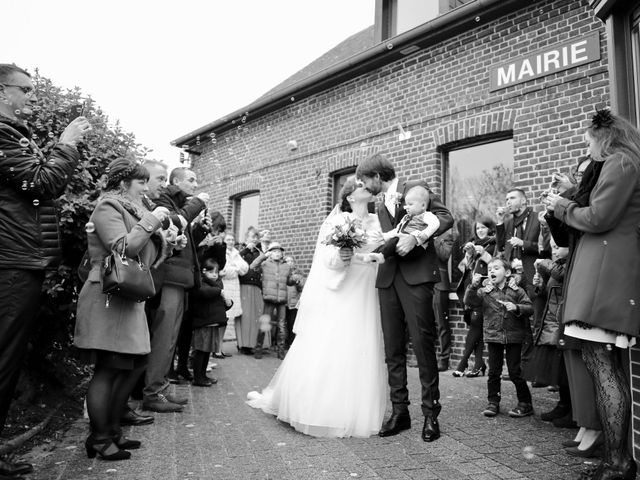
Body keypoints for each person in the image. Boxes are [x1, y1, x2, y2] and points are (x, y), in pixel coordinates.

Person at [0, 64, 90, 478]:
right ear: (2, 91)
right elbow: (41, 184)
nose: (30, 98)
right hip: (11, 263)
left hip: (17, 259)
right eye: (26, 90)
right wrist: (67, 144)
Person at [247, 177, 387, 438]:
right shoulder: (337, 222)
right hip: (342, 289)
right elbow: (328, 259)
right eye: (359, 185)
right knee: (333, 341)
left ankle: (356, 409)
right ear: (350, 197)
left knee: (360, 343)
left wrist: (378, 256)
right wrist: (352, 256)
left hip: (367, 288)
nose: (365, 186)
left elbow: (388, 246)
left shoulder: (378, 222)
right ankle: (318, 408)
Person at [544, 108, 640, 480]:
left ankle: (618, 464)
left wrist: (562, 205)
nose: (589, 146)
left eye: (589, 139)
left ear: (605, 137)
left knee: (604, 370)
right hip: (603, 273)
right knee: (604, 369)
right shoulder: (624, 162)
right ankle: (615, 460)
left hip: (606, 278)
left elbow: (599, 218)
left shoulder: (620, 163)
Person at [74, 158, 169, 461]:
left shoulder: (134, 211)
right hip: (108, 296)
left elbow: (144, 255)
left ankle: (112, 430)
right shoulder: (107, 207)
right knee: (108, 368)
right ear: (123, 183)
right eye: (141, 181)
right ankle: (100, 438)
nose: (146, 186)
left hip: (128, 297)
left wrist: (162, 236)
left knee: (133, 365)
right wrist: (151, 220)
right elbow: (123, 248)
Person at [356, 153, 454, 443]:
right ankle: (400, 412)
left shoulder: (416, 188)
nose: (365, 186)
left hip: (416, 279)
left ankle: (430, 414)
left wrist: (418, 237)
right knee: (393, 348)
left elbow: (446, 217)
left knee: (423, 345)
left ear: (377, 177)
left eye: (365, 180)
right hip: (388, 280)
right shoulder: (380, 202)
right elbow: (390, 236)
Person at [142, 168, 209, 413]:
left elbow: (180, 241)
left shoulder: (177, 202)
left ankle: (159, 387)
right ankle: (152, 392)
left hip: (179, 279)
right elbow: (172, 224)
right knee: (163, 334)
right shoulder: (164, 199)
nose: (195, 183)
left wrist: (200, 230)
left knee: (170, 337)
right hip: (168, 278)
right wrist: (198, 204)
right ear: (176, 181)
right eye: (191, 179)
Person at [464, 258, 534, 419]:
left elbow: (530, 308)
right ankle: (493, 402)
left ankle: (525, 403)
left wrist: (516, 307)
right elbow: (469, 301)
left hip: (513, 336)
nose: (491, 271)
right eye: (489, 269)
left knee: (515, 371)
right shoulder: (485, 291)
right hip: (493, 335)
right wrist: (473, 286)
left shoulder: (516, 291)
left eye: (496, 268)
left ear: (507, 273)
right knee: (493, 372)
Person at [452, 218, 496, 377]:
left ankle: (462, 364)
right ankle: (479, 364)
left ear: (490, 229)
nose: (480, 231)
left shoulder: (494, 244)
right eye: (478, 228)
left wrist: (483, 253)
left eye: (484, 227)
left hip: (485, 291)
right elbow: (463, 267)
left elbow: (496, 265)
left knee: (475, 326)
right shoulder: (473, 243)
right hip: (470, 290)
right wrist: (470, 253)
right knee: (475, 327)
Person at [190, 258, 232, 386]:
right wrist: (220, 292)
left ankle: (203, 375)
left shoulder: (217, 284)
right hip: (203, 322)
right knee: (201, 350)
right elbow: (204, 292)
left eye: (216, 272)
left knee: (207, 350)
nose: (215, 274)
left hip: (213, 322)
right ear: (204, 271)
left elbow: (219, 305)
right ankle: (197, 378)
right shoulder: (201, 282)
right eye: (211, 272)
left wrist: (228, 303)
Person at [252, 242, 293, 360]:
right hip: (269, 299)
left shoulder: (286, 266)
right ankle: (258, 348)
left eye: (279, 251)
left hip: (281, 300)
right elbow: (253, 266)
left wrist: (294, 280)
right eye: (274, 251)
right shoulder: (265, 264)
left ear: (282, 254)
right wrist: (263, 256)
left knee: (281, 326)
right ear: (270, 253)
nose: (277, 253)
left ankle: (281, 351)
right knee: (264, 324)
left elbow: (289, 281)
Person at [381, 185, 440, 258]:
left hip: (416, 248)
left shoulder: (426, 215)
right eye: (406, 204)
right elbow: (397, 230)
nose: (406, 207)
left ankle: (380, 255)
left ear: (423, 206)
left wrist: (424, 235)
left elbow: (435, 224)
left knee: (394, 240)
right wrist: (385, 235)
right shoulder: (406, 217)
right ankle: (376, 253)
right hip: (403, 246)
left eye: (410, 204)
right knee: (389, 241)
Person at [219, 232, 248, 358]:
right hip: (225, 286)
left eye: (232, 239)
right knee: (221, 319)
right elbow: (224, 271)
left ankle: (220, 348)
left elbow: (245, 268)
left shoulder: (235, 253)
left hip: (234, 288)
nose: (230, 242)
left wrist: (234, 268)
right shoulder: (222, 252)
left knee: (227, 319)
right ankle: (217, 349)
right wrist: (236, 269)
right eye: (228, 239)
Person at [237, 227, 264, 355]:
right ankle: (243, 344)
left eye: (256, 237)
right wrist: (247, 249)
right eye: (252, 236)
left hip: (257, 286)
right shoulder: (241, 250)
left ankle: (254, 343)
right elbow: (236, 259)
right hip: (244, 284)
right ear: (246, 237)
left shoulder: (259, 251)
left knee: (256, 316)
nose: (254, 239)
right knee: (246, 316)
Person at [284, 255, 305, 349]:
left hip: (293, 303)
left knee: (291, 323)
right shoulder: (283, 273)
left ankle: (290, 342)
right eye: (287, 261)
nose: (290, 263)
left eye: (291, 261)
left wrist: (298, 283)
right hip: (283, 301)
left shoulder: (298, 274)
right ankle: (282, 342)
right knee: (282, 324)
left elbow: (301, 288)